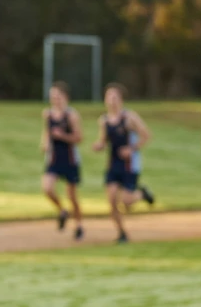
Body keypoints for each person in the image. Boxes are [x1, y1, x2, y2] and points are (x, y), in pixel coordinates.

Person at [91, 83, 155, 243]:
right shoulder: (104, 120)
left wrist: (131, 149)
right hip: (113, 165)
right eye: (108, 97)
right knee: (112, 200)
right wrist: (99, 145)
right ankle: (121, 233)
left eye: (115, 97)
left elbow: (146, 136)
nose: (111, 100)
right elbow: (104, 140)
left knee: (127, 201)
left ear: (121, 99)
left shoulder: (129, 117)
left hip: (129, 165)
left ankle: (142, 194)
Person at [40, 81, 85, 240]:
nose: (54, 99)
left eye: (57, 96)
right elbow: (46, 132)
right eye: (52, 96)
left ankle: (79, 225)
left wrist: (63, 136)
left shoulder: (71, 115)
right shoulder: (48, 114)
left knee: (72, 196)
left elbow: (79, 138)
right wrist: (44, 144)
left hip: (70, 159)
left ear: (65, 97)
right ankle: (62, 210)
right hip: (53, 159)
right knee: (47, 188)